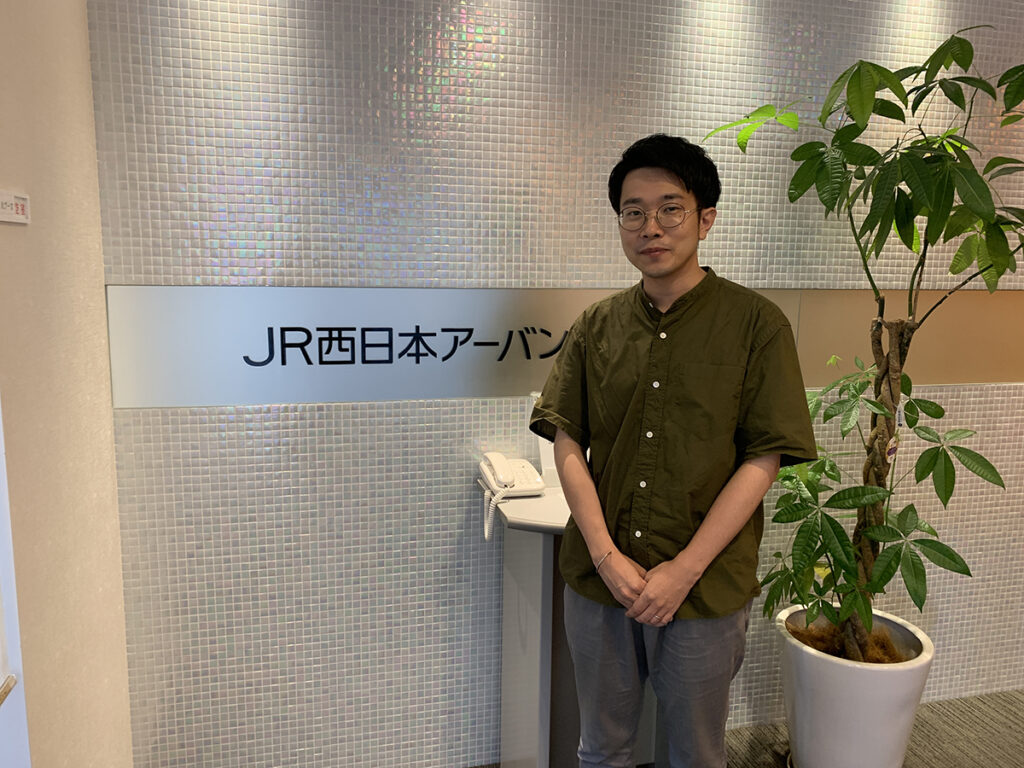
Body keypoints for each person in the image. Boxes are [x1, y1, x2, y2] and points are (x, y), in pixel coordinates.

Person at [529, 134, 817, 768]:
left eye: (669, 209)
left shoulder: (757, 324)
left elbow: (763, 459)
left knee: (695, 753)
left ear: (705, 218)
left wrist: (683, 571)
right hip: (601, 583)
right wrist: (606, 558)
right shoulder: (596, 325)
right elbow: (568, 439)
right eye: (632, 212)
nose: (650, 227)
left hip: (705, 587)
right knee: (601, 749)